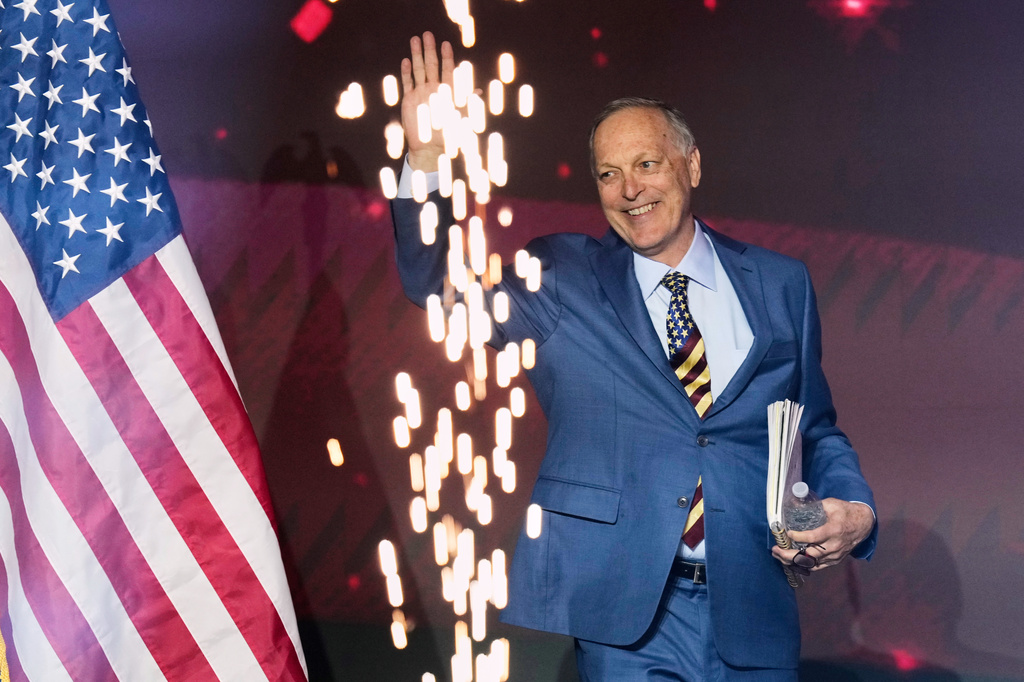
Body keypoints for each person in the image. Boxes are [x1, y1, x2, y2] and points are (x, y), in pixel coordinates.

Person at [390, 31, 877, 681]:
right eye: (608, 174)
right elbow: (436, 286)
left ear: (691, 167)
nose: (628, 189)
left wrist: (857, 509)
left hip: (753, 606)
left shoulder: (780, 282)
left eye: (646, 164)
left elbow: (812, 427)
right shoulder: (559, 276)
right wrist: (424, 158)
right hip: (630, 616)